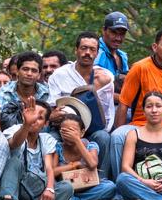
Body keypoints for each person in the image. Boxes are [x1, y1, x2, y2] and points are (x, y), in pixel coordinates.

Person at [47, 31, 114, 177]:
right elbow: (52, 111)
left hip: (93, 129)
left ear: (97, 53)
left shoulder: (105, 77)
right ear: (76, 50)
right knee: (50, 139)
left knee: (104, 137)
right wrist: (58, 117)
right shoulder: (59, 75)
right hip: (63, 128)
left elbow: (108, 113)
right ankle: (53, 184)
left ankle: (99, 181)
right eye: (83, 48)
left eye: (92, 49)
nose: (87, 53)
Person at [0, 97, 73, 200]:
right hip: (15, 186)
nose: (34, 120)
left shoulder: (46, 139)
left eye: (40, 118)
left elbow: (49, 167)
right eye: (31, 115)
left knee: (66, 188)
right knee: (14, 162)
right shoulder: (15, 130)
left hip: (36, 188)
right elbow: (14, 143)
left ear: (46, 124)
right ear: (24, 115)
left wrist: (49, 189)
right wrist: (26, 125)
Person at [52, 102, 120, 200]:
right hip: (68, 189)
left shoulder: (90, 145)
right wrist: (75, 165)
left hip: (88, 187)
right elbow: (53, 171)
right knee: (59, 193)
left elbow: (92, 164)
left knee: (110, 187)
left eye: (72, 131)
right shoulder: (58, 147)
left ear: (82, 132)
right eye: (65, 131)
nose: (69, 134)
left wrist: (77, 140)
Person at [0, 51, 50, 128]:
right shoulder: (5, 91)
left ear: (39, 75)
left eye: (34, 71)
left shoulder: (46, 93)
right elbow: (0, 119)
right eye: (25, 69)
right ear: (17, 71)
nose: (29, 74)